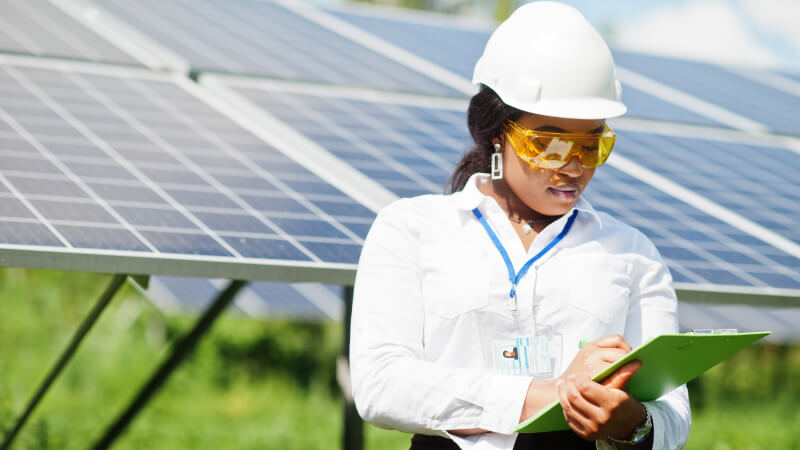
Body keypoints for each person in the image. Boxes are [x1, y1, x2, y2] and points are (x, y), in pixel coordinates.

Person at [349, 2, 691, 449]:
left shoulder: (631, 254)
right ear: (496, 132)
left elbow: (672, 417)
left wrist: (632, 423)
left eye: (592, 145)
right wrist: (553, 396)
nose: (572, 167)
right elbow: (381, 386)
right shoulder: (412, 228)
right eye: (548, 144)